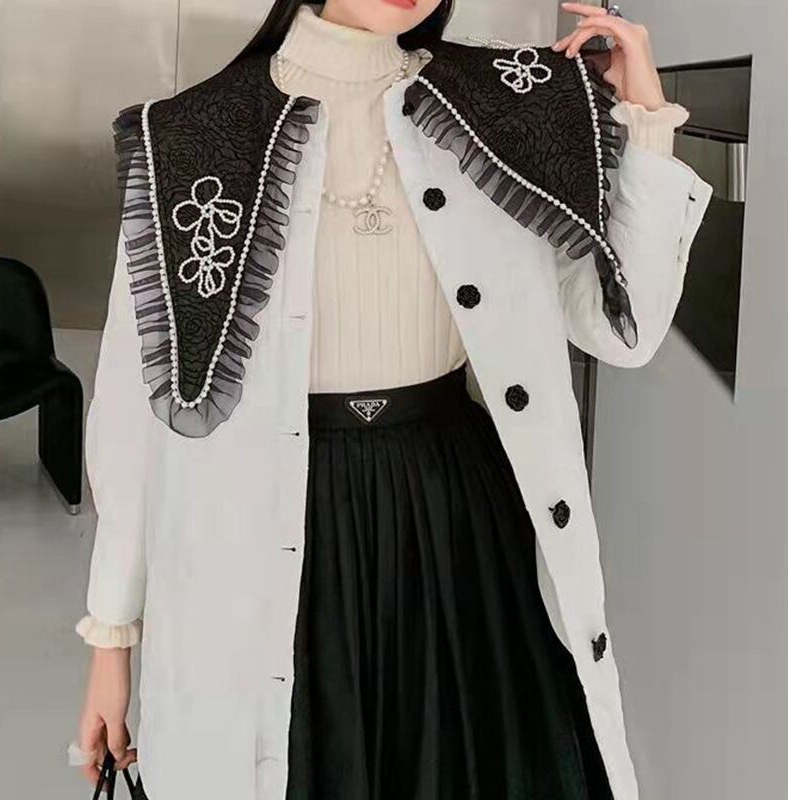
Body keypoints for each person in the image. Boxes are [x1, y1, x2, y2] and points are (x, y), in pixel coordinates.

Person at [71, 1, 711, 798]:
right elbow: (134, 413)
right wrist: (111, 645)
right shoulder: (192, 135)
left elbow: (623, 330)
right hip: (276, 518)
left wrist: (643, 120)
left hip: (455, 517)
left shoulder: (498, 108)